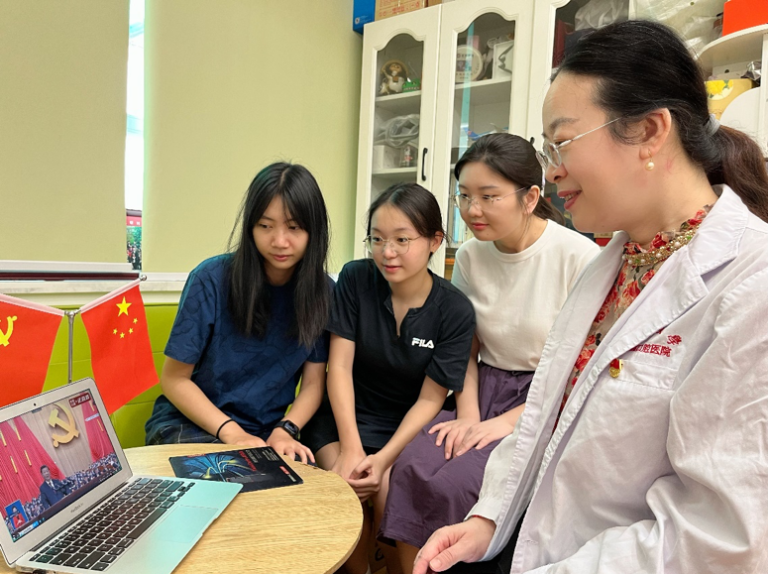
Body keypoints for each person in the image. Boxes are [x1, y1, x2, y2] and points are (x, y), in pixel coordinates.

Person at [414, 20, 768, 574]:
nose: (552, 170)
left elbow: (717, 537)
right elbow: (546, 416)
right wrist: (488, 520)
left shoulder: (751, 284)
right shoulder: (612, 263)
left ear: (649, 131)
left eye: (562, 142)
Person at [380, 134, 599, 573]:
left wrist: (501, 424)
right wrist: (469, 415)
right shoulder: (470, 256)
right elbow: (465, 347)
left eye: (488, 196)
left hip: (546, 401)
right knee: (410, 467)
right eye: (464, 196)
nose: (472, 210)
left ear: (530, 198)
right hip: (480, 388)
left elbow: (580, 371)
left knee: (460, 484)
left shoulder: (579, 257)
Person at [302, 182, 476, 574]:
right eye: (377, 239)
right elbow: (338, 368)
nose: (388, 251)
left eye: (402, 239)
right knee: (344, 490)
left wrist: (383, 459)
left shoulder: (454, 310)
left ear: (434, 241)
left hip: (405, 429)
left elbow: (430, 399)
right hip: (343, 419)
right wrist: (351, 447)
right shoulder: (356, 278)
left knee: (389, 498)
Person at [145, 162, 333, 464]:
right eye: (265, 226)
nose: (279, 241)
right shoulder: (211, 278)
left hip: (266, 434)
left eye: (294, 227)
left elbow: (313, 384)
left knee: (303, 484)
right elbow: (175, 379)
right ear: (250, 227)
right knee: (234, 476)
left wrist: (286, 429)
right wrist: (232, 433)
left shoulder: (324, 293)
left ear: (314, 230)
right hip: (190, 425)